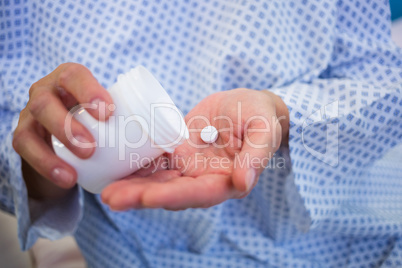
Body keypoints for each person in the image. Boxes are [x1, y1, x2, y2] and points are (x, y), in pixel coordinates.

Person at [1, 0, 402, 267]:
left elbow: (381, 81)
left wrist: (280, 113)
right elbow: (10, 139)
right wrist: (44, 169)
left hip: (351, 237)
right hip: (145, 254)